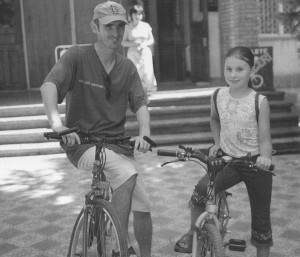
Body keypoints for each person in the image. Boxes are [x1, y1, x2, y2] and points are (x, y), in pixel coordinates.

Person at [40, 1, 152, 257]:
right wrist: (58, 125)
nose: (115, 32)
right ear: (94, 26)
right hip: (82, 144)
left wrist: (144, 132)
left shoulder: (127, 67)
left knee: (144, 204)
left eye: (119, 26)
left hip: (117, 144)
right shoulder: (77, 56)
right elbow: (49, 86)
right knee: (126, 173)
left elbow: (141, 104)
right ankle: (119, 249)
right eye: (108, 26)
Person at [174, 46, 273, 257]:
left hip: (255, 163)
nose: (233, 74)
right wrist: (217, 142)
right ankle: (196, 235)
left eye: (240, 69)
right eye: (228, 69)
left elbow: (265, 139)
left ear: (251, 71)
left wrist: (264, 158)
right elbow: (214, 118)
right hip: (228, 160)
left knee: (262, 223)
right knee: (201, 191)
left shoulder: (259, 102)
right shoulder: (218, 95)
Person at [121, 4, 157, 95]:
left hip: (145, 52)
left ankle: (148, 93)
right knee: (135, 72)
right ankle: (136, 94)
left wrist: (144, 44)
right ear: (131, 15)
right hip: (133, 53)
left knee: (146, 72)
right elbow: (123, 42)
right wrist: (134, 44)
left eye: (140, 14)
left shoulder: (146, 26)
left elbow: (151, 39)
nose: (138, 16)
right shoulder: (127, 27)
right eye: (136, 14)